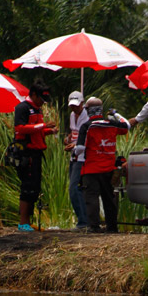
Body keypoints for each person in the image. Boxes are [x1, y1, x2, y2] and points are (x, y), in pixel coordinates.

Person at [75, 97, 129, 233]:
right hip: (108, 168)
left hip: (91, 168)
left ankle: (94, 227)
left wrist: (74, 150)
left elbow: (80, 148)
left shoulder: (87, 126)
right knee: (109, 198)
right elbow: (127, 125)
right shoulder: (111, 124)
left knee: (91, 197)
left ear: (88, 111)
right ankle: (112, 227)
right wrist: (115, 113)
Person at [13, 81, 58, 231]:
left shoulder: (38, 110)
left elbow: (36, 131)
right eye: (41, 99)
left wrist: (48, 132)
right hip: (26, 153)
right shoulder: (22, 108)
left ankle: (29, 221)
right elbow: (20, 128)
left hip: (37, 153)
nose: (43, 103)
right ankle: (22, 223)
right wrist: (44, 126)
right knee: (27, 187)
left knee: (35, 187)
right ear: (33, 94)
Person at [63, 90, 88, 230]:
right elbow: (74, 134)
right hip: (74, 156)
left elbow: (85, 137)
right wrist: (67, 140)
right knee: (76, 189)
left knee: (74, 189)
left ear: (82, 103)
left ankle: (83, 222)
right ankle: (83, 220)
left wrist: (76, 144)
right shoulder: (72, 115)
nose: (74, 108)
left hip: (82, 156)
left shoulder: (87, 116)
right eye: (72, 105)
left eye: (76, 105)